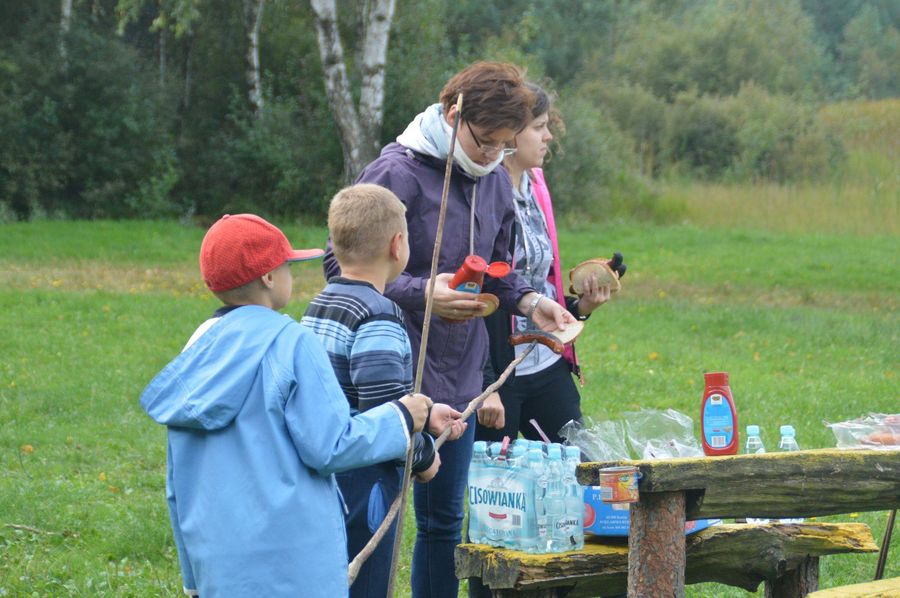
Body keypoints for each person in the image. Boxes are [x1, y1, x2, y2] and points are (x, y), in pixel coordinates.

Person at [323, 61, 576, 598]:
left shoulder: (495, 183)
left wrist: (532, 303)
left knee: (442, 524)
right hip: (388, 376)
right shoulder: (397, 172)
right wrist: (422, 293)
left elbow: (498, 271)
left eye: (505, 146)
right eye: (485, 141)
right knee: (376, 520)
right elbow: (338, 267)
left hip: (459, 379)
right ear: (450, 113)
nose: (492, 156)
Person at [139, 213, 432, 598]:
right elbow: (331, 445)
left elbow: (177, 482)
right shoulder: (293, 343)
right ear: (268, 277)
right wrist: (401, 417)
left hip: (220, 566)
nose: (292, 275)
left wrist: (192, 577)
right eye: (288, 265)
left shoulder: (195, 353)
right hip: (296, 567)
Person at [300, 184, 466, 598]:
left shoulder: (320, 303)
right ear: (398, 246)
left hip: (321, 471)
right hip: (365, 484)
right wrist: (424, 455)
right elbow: (384, 416)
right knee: (367, 581)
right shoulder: (379, 315)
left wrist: (427, 414)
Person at [477, 82, 626, 448]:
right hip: (498, 373)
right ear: (510, 133)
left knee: (581, 471)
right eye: (538, 126)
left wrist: (580, 306)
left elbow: (538, 279)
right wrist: (485, 386)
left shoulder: (536, 184)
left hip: (547, 361)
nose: (548, 136)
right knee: (502, 494)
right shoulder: (482, 191)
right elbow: (478, 292)